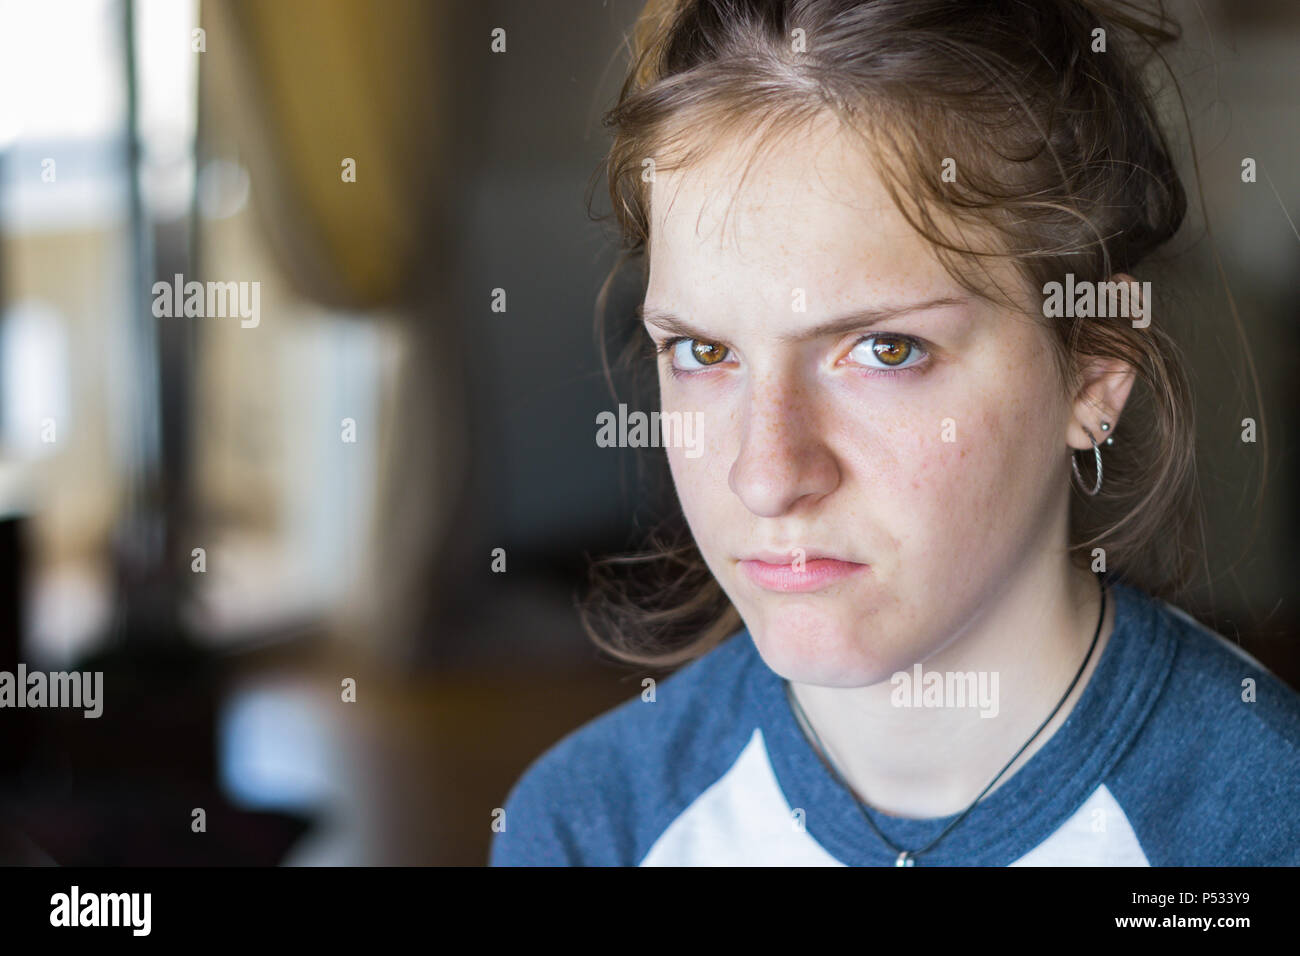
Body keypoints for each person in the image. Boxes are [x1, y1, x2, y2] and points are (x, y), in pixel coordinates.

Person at [490, 0, 1300, 866]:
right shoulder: (588, 827)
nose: (765, 476)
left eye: (885, 349)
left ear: (1096, 368)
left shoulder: (1259, 826)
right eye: (703, 350)